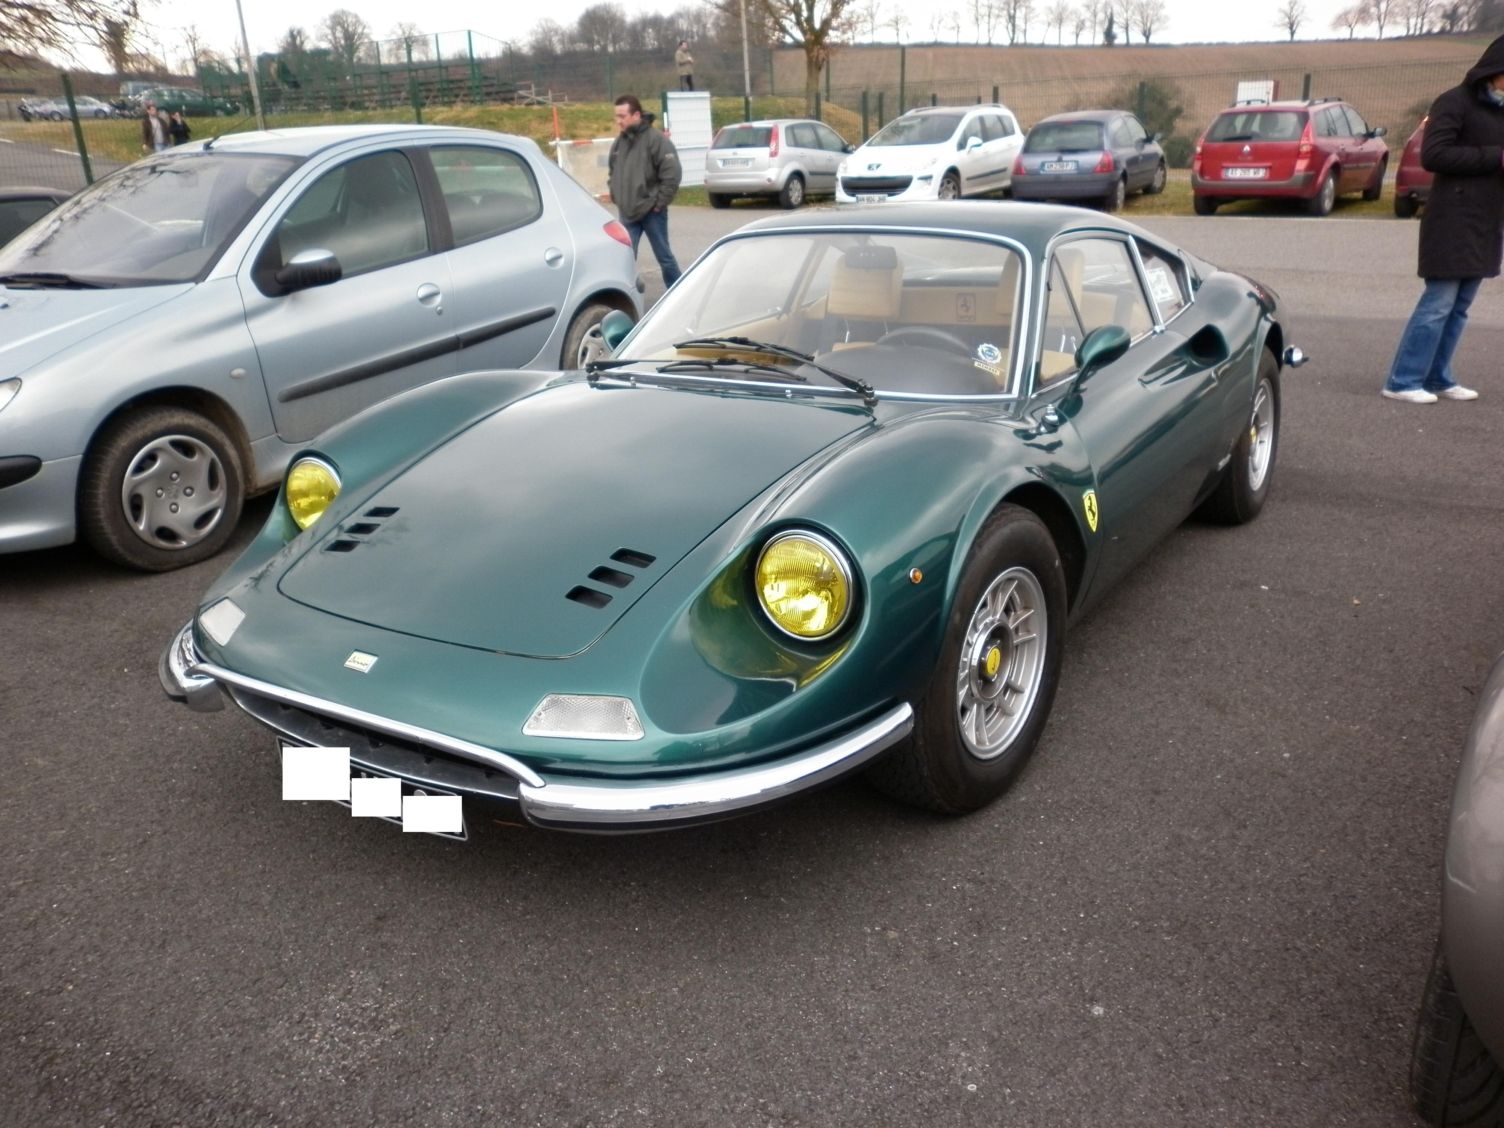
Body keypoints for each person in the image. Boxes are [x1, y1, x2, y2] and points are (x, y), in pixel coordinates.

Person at [1381, 34, 1504, 404]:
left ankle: (1438, 377)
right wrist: (1496, 157)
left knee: (1460, 307)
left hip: (1487, 220)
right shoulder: (1454, 102)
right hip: (1452, 217)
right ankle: (1403, 381)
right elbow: (1434, 155)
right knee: (1438, 304)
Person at [607, 94, 683, 288]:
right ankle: (624, 293)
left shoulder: (656, 140)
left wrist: (659, 203)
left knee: (664, 257)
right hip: (628, 212)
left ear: (636, 115)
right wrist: (616, 194)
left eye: (622, 116)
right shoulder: (619, 143)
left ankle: (679, 291)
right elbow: (613, 171)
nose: (618, 121)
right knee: (624, 257)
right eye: (616, 116)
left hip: (652, 211)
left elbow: (672, 173)